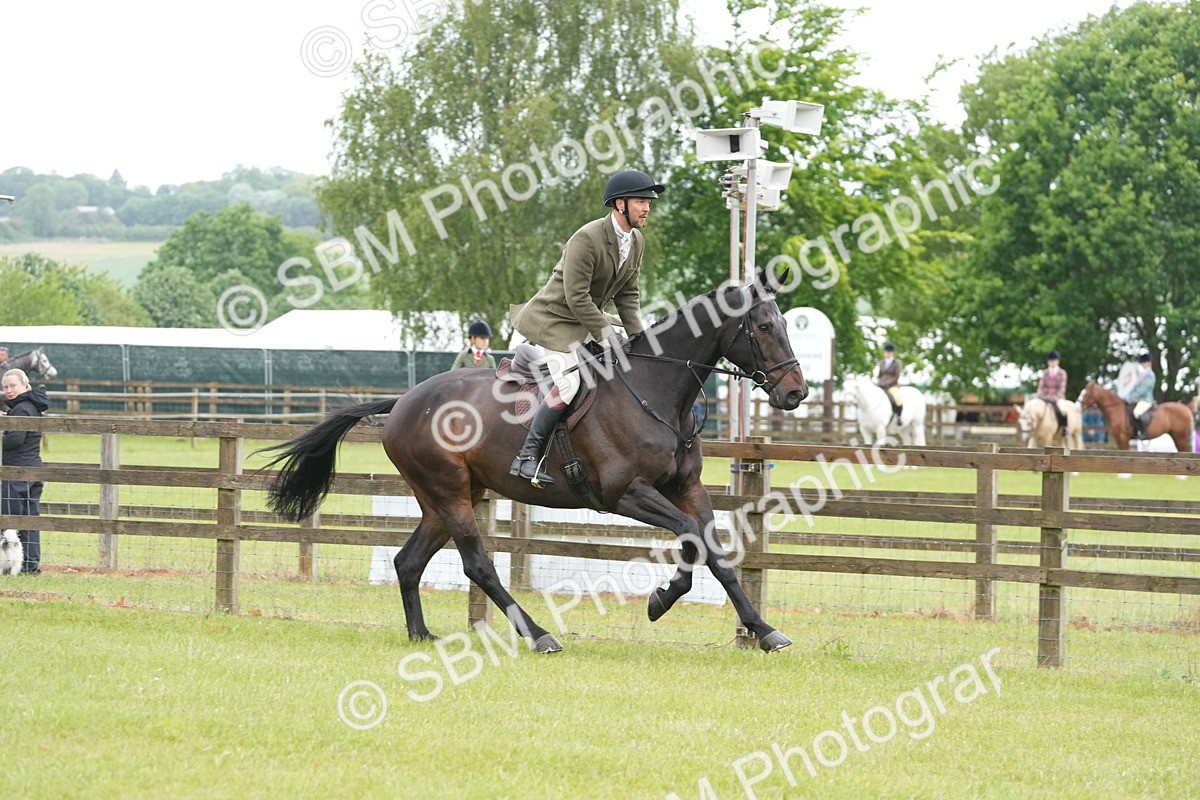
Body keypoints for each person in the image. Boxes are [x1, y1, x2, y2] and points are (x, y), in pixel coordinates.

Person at [507, 169, 663, 485]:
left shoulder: (636, 241)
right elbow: (576, 297)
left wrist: (639, 339)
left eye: (648, 202)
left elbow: (628, 296)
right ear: (619, 204)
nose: (647, 208)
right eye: (640, 201)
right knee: (569, 383)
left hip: (586, 319)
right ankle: (526, 457)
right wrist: (607, 336)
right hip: (553, 319)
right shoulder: (587, 238)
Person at [2, 368, 48, 574]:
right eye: (5, 387)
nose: (9, 390)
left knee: (10, 521)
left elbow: (14, 440)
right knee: (29, 520)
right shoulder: (31, 406)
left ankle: (11, 566)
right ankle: (30, 566)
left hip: (17, 471)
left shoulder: (22, 409)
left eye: (13, 386)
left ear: (25, 384)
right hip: (33, 468)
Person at [1119, 352, 1157, 438]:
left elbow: (1142, 390)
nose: (1142, 364)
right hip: (1138, 399)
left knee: (1136, 412)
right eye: (1142, 363)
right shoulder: (1142, 374)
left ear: (1148, 363)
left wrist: (1130, 397)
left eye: (1144, 363)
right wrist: (1127, 395)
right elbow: (1134, 388)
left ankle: (1142, 432)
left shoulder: (1150, 375)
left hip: (1146, 400)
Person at [1036, 350, 1071, 438]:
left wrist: (1055, 397)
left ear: (1057, 361)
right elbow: (1041, 386)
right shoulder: (1045, 373)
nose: (1052, 362)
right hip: (1045, 397)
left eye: (1053, 361)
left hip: (1058, 397)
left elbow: (1062, 388)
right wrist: (1040, 395)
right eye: (1050, 361)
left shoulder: (1062, 373)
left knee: (1063, 410)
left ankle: (1065, 428)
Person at [875, 343, 903, 423]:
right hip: (881, 385)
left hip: (892, 386)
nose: (887, 354)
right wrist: (879, 382)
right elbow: (879, 375)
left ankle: (899, 417)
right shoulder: (881, 363)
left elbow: (896, 376)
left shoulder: (897, 363)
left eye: (889, 352)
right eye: (886, 352)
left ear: (892, 353)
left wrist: (887, 383)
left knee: (897, 399)